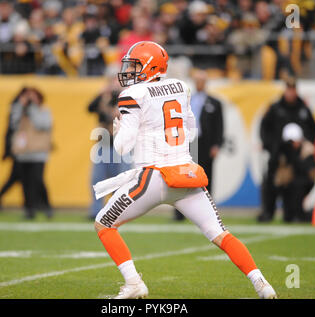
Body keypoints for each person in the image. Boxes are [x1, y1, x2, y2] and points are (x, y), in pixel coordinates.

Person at [92, 41, 276, 299]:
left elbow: (122, 148)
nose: (128, 71)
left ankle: (134, 283)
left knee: (104, 224)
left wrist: (120, 128)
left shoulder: (133, 95)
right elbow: (191, 130)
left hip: (153, 177)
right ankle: (262, 284)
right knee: (220, 234)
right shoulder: (180, 87)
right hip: (186, 176)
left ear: (149, 66)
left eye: (134, 65)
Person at [258, 78, 315, 222]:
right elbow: (265, 128)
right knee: (270, 183)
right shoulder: (275, 108)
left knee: (301, 182)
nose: (291, 92)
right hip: (279, 156)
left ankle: (295, 213)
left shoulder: (303, 108)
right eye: (288, 89)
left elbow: (313, 129)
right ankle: (268, 212)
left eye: (293, 89)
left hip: (299, 156)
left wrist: (304, 143)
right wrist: (270, 146)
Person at [174, 69, 224, 221]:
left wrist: (216, 145)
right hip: (189, 143)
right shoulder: (187, 101)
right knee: (183, 178)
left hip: (205, 144)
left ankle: (207, 213)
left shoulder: (214, 103)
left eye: (202, 81)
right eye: (197, 81)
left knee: (206, 178)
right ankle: (180, 213)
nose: (199, 84)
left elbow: (220, 126)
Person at [88, 70, 130, 219]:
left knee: (120, 182)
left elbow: (114, 115)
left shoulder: (125, 98)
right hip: (103, 144)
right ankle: (95, 210)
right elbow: (90, 108)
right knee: (97, 180)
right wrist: (101, 95)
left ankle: (119, 212)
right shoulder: (104, 98)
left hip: (120, 146)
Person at [10, 87, 53, 220]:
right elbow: (13, 123)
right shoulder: (21, 110)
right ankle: (29, 209)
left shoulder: (43, 111)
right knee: (25, 183)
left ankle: (46, 206)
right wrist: (20, 105)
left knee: (38, 181)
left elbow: (42, 124)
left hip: (38, 152)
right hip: (23, 153)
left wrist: (32, 109)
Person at [0, 87, 29, 211]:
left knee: (17, 178)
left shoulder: (17, 107)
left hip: (20, 148)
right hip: (17, 148)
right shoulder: (17, 107)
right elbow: (13, 128)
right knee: (20, 177)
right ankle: (27, 205)